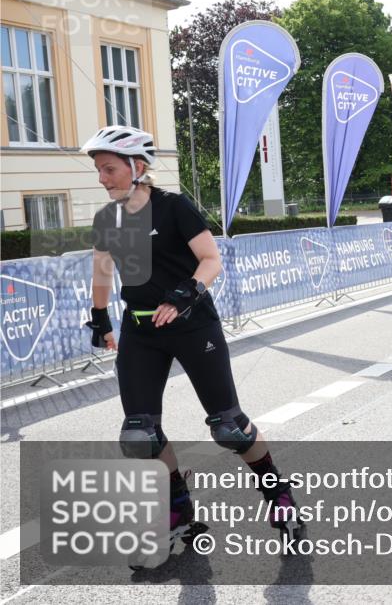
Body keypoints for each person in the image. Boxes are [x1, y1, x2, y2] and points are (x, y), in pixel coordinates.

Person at [82, 125, 303, 548]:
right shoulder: (106, 218)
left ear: (137, 167)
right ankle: (178, 507)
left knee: (230, 427)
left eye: (109, 169)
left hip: (192, 324)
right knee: (139, 435)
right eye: (99, 170)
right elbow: (102, 269)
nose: (102, 178)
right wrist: (100, 319)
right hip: (141, 330)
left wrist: (186, 292)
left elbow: (210, 259)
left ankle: (278, 494)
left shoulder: (173, 207)